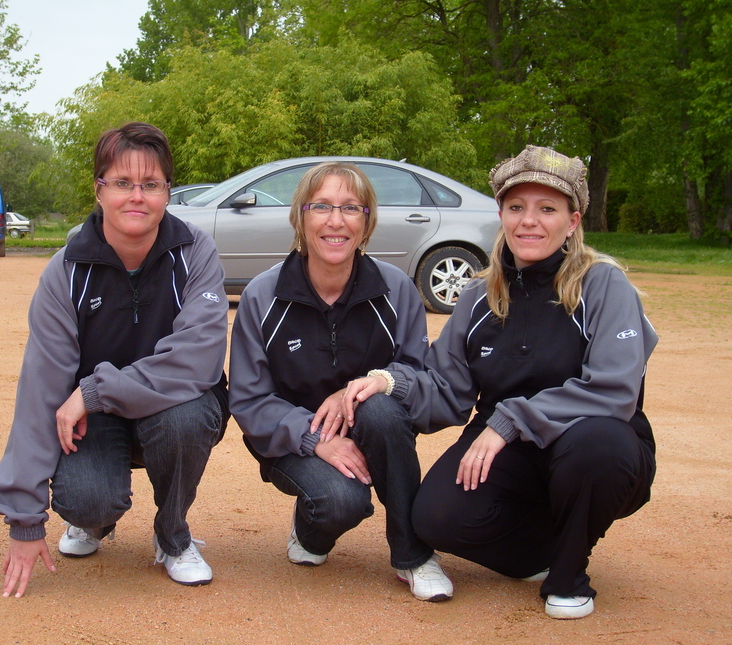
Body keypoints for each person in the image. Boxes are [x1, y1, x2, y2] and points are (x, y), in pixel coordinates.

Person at [342, 145, 657, 619]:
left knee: (597, 445)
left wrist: (509, 421)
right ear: (502, 214)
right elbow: (447, 391)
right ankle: (547, 547)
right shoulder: (477, 295)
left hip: (593, 443)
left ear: (572, 221)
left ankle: (570, 573)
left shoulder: (603, 285)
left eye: (547, 209)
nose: (529, 221)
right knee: (436, 518)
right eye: (516, 208)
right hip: (509, 451)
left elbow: (613, 391)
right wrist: (391, 382)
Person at [0, 122, 229, 597]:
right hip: (91, 421)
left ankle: (172, 534)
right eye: (121, 183)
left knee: (192, 414)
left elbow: (198, 359)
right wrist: (25, 520)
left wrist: (93, 389)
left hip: (165, 409)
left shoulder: (195, 252)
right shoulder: (66, 271)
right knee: (89, 500)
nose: (136, 197)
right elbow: (40, 390)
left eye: (151, 185)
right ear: (99, 190)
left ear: (167, 192)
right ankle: (93, 524)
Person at [228, 161, 453, 602]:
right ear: (301, 217)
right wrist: (316, 440)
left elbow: (419, 377)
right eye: (322, 207)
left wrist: (370, 382)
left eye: (351, 208)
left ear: (366, 223)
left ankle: (413, 555)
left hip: (372, 428)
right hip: (290, 440)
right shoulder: (261, 295)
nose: (336, 221)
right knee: (341, 502)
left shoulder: (396, 290)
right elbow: (250, 400)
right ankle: (310, 531)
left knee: (383, 409)